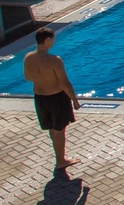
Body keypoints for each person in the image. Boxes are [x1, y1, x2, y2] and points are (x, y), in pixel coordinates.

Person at [23, 27, 81, 173]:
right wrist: (74, 100)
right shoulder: (54, 60)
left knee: (51, 128)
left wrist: (42, 79)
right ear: (48, 40)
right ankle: (60, 161)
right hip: (56, 98)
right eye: (53, 38)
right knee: (60, 130)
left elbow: (27, 77)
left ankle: (58, 157)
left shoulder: (28, 57)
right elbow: (64, 83)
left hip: (40, 98)